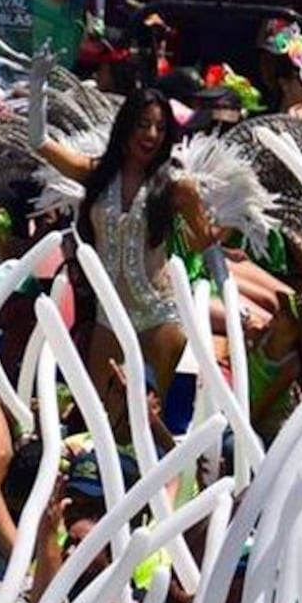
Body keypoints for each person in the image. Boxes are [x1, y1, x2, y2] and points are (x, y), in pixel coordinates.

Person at [37, 88, 213, 394]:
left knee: (157, 422)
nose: (152, 134)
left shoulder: (176, 186)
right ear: (126, 126)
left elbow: (203, 241)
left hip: (157, 316)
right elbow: (38, 142)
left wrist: (213, 227)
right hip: (109, 318)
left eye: (160, 127)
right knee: (98, 421)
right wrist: (37, 88)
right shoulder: (95, 174)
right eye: (143, 124)